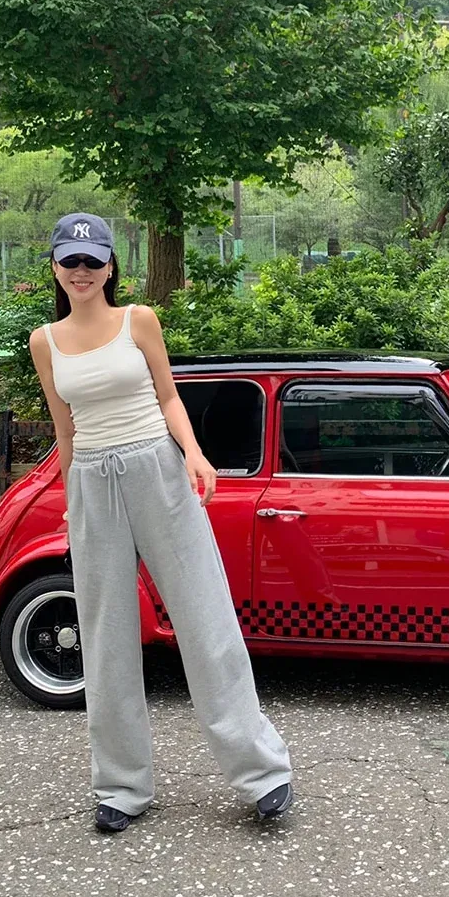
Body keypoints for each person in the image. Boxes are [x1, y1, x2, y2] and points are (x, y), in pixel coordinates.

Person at [28, 212, 293, 833]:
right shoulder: (45, 341)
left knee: (204, 614)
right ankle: (122, 786)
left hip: (156, 467)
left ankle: (262, 772)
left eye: (93, 261)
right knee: (105, 634)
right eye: (70, 261)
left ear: (110, 268)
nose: (81, 271)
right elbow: (65, 428)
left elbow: (169, 396)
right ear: (55, 268)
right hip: (91, 480)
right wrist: (70, 498)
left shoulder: (138, 320)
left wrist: (194, 455)